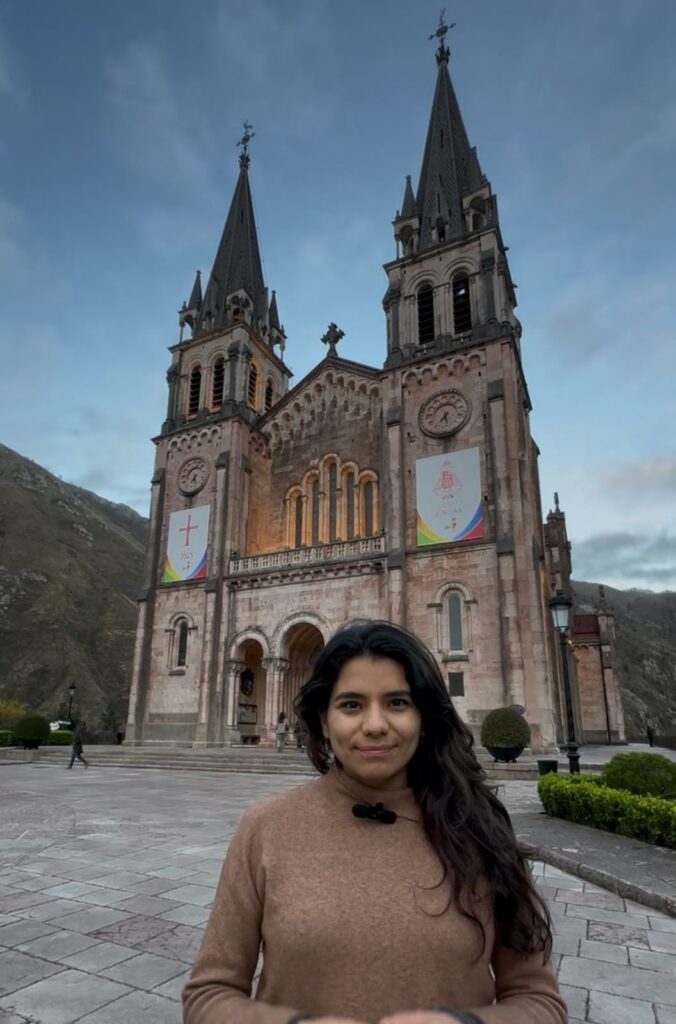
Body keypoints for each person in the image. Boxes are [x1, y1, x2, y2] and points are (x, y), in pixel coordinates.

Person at [183, 621, 567, 1024]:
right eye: (351, 704)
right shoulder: (265, 827)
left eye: (397, 703)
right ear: (323, 720)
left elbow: (539, 1002)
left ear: (424, 717)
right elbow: (208, 996)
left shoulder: (479, 828)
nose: (375, 724)